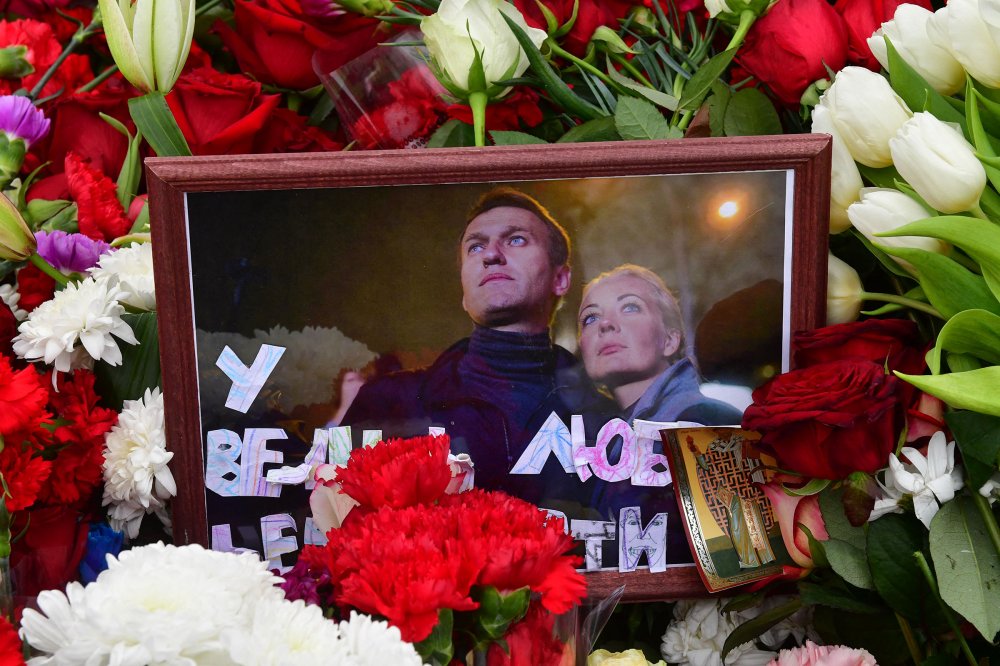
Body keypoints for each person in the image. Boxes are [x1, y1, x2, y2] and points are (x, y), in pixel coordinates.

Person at [341, 187, 611, 507]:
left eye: (516, 239)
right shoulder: (387, 403)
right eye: (475, 246)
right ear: (464, 292)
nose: (491, 254)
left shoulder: (605, 420)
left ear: (561, 278)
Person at [577, 264, 743, 426]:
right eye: (591, 318)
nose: (605, 323)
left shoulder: (706, 422)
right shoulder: (601, 437)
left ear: (669, 340)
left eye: (630, 307)